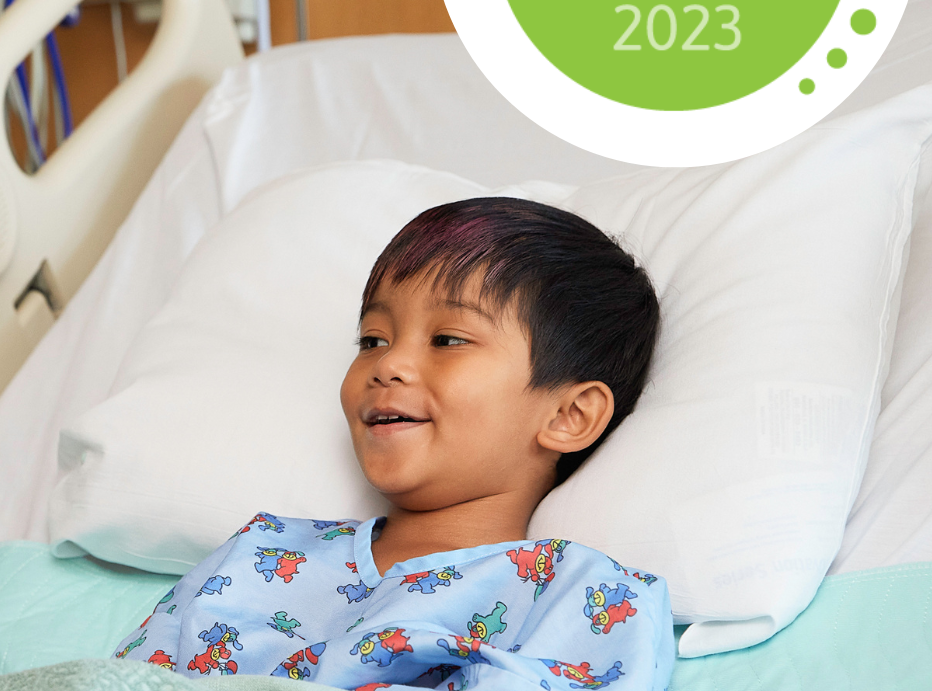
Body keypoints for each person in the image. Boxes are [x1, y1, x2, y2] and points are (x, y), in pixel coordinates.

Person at [113, 198, 674, 689]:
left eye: (448, 339)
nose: (388, 364)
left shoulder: (587, 599)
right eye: (372, 339)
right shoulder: (258, 554)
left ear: (569, 414)